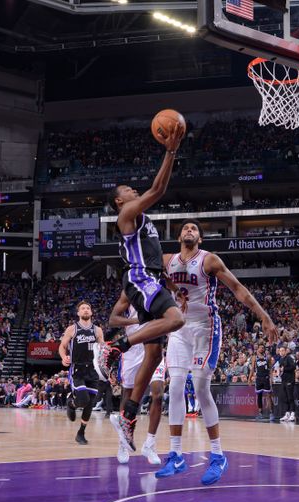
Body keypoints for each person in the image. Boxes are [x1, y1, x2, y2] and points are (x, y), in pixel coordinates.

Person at [157, 219, 277, 486]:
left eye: (194, 229)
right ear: (179, 236)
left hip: (206, 328)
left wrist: (264, 316)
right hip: (178, 329)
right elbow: (150, 274)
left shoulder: (209, 260)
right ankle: (175, 454)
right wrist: (173, 292)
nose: (189, 230)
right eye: (185, 228)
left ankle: (217, 456)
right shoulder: (167, 260)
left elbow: (237, 289)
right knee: (175, 387)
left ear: (200, 238)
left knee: (200, 388)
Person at [107, 121, 188, 452]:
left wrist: (169, 281)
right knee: (177, 320)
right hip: (140, 277)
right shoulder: (127, 213)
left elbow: (154, 253)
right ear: (118, 201)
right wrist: (171, 152)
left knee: (154, 354)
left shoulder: (142, 219)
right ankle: (116, 347)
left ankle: (127, 416)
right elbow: (158, 191)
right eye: (126, 188)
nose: (132, 190)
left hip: (150, 277)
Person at [108, 292, 166, 465]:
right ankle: (123, 441)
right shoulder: (130, 289)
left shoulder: (162, 286)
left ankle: (150, 443)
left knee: (158, 394)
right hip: (133, 347)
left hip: (155, 344)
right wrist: (137, 321)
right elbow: (113, 320)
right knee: (128, 394)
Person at [59, 301, 105, 445]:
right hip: (77, 369)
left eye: (88, 308)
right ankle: (71, 404)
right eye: (83, 308)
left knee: (90, 403)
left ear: (91, 312)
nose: (86, 310)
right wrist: (63, 357)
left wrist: (106, 367)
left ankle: (81, 433)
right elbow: (62, 346)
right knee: (83, 400)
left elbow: (102, 349)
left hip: (93, 369)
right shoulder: (72, 329)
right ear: (78, 313)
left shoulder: (97, 330)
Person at [250, 346, 273, 421]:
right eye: (260, 348)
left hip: (266, 378)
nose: (262, 349)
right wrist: (249, 378)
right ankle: (260, 413)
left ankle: (271, 413)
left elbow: (270, 369)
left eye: (263, 348)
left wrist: (271, 378)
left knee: (269, 396)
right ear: (258, 349)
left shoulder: (268, 357)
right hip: (258, 378)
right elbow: (253, 368)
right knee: (259, 396)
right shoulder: (254, 357)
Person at [279, 347, 297, 422]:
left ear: (286, 351)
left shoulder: (289, 358)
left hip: (290, 380)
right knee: (285, 397)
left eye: (283, 350)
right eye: (280, 351)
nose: (281, 352)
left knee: (290, 397)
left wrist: (284, 369)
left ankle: (293, 414)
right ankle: (287, 414)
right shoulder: (280, 359)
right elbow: (280, 369)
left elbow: (293, 367)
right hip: (283, 380)